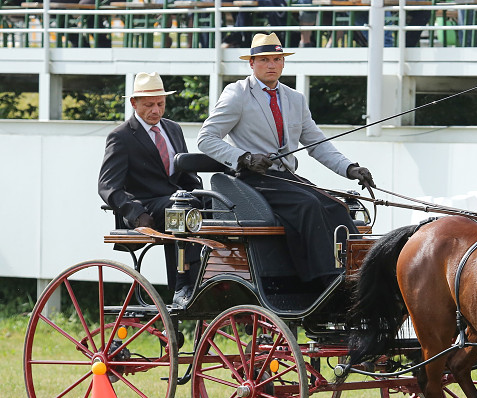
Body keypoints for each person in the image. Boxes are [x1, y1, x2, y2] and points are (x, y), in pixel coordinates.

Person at [197, 33, 375, 286]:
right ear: (252, 63)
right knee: (308, 205)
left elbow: (317, 144)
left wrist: (349, 168)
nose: (271, 65)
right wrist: (244, 157)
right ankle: (324, 279)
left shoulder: (295, 99)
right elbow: (206, 138)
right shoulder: (237, 94)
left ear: (283, 63)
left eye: (277, 59)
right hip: (253, 179)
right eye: (265, 59)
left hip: (286, 178)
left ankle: (360, 272)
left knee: (337, 207)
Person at [98, 72, 204, 306]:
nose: (155, 110)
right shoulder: (121, 136)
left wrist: (201, 195)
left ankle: (212, 278)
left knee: (216, 206)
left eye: (160, 104)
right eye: (149, 105)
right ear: (133, 103)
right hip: (146, 207)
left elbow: (185, 174)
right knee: (182, 211)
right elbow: (107, 185)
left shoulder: (173, 129)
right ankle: (182, 284)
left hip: (178, 201)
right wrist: (136, 214)